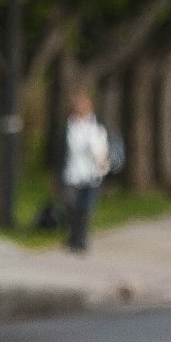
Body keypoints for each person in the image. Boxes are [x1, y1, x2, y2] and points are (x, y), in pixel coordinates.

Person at [62, 93, 111, 253]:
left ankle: (81, 240)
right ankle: (73, 235)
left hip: (91, 174)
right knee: (71, 205)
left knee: (85, 208)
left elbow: (102, 149)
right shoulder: (68, 127)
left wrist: (101, 159)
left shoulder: (95, 127)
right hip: (71, 173)